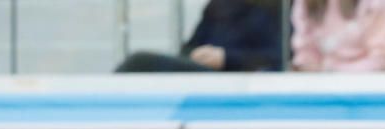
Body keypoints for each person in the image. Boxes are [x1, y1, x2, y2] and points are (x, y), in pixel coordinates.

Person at [116, 0, 282, 73]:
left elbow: (280, 57)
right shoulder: (220, 5)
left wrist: (226, 58)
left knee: (140, 62)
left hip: (236, 82)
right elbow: (190, 47)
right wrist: (194, 54)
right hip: (199, 78)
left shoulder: (276, 7)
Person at [291, 0, 385, 71]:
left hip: (371, 92)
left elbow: (383, 59)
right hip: (322, 92)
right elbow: (305, 53)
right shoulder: (305, 3)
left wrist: (333, 75)